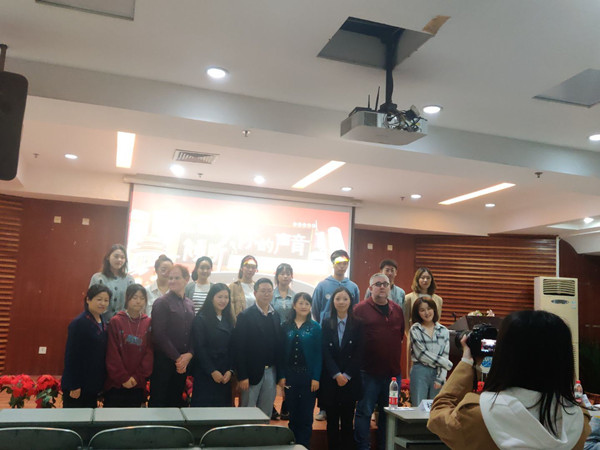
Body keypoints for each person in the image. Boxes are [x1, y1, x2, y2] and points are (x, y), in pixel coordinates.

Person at [428, 310, 591, 449]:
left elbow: (439, 413)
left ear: (504, 355)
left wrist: (467, 362)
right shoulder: (579, 423)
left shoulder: (477, 417)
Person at [353, 273, 405, 450]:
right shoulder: (359, 309)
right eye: (378, 284)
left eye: (385, 284)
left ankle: (385, 446)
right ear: (370, 288)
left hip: (392, 374)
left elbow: (400, 335)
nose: (382, 287)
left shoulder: (397, 309)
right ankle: (363, 447)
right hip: (368, 372)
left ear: (390, 287)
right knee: (364, 412)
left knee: (388, 414)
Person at [232, 278, 285, 417]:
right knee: (247, 413)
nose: (266, 294)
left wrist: (280, 375)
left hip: (271, 372)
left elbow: (279, 348)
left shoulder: (275, 315)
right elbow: (239, 348)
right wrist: (242, 376)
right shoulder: (245, 316)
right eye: (263, 291)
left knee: (266, 413)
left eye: (269, 291)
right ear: (255, 293)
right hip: (250, 373)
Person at [321, 287, 364, 450]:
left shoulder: (358, 323)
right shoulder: (326, 322)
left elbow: (360, 352)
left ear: (351, 301)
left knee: (347, 422)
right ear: (333, 301)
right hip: (331, 380)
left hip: (350, 380)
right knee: (331, 422)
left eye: (345, 299)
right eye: (338, 298)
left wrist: (346, 375)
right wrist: (336, 374)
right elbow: (325, 351)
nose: (341, 302)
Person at [149, 264, 195, 407]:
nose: (172, 281)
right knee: (159, 401)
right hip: (165, 361)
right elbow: (159, 335)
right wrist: (178, 358)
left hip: (183, 363)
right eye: (170, 278)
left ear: (186, 279)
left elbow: (193, 332)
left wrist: (190, 354)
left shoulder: (189, 304)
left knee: (176, 401)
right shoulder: (161, 302)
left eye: (177, 278)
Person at [281, 292, 322, 447]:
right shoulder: (285, 326)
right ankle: (292, 445)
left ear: (310, 306)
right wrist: (281, 376)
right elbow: (280, 353)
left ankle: (304, 446)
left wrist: (316, 377)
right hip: (290, 376)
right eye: (300, 303)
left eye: (307, 303)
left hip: (308, 377)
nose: (304, 306)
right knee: (293, 415)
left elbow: (319, 354)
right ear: (294, 305)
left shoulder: (315, 327)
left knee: (306, 416)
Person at [61, 284, 110, 408]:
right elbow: (71, 356)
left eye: (106, 300)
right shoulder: (79, 323)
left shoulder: (103, 321)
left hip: (93, 383)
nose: (103, 303)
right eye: (99, 299)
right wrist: (74, 385)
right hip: (78, 385)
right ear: (88, 299)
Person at [104, 284, 153, 407]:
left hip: (137, 383)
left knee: (134, 417)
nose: (138, 301)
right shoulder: (116, 321)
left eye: (142, 298)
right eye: (134, 297)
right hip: (116, 383)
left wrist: (137, 377)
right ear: (127, 299)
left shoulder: (148, 322)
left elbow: (149, 352)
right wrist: (123, 378)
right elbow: (112, 352)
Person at [190, 283, 235, 407]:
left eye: (226, 297)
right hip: (206, 372)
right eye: (219, 297)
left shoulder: (229, 319)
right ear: (211, 298)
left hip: (224, 372)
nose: (223, 301)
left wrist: (230, 370)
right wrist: (212, 371)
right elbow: (200, 348)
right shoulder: (201, 319)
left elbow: (233, 347)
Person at [409, 297, 452, 406]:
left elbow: (445, 354)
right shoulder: (415, 329)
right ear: (418, 313)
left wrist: (441, 378)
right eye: (422, 310)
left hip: (438, 372)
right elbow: (421, 354)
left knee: (436, 408)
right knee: (418, 408)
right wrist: (445, 363)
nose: (427, 313)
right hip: (420, 371)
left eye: (429, 308)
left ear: (434, 309)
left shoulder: (444, 330)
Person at [271, 262, 296, 420]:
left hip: (290, 339)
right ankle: (271, 406)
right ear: (277, 276)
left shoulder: (295, 296)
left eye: (288, 273)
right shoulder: (271, 294)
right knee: (273, 371)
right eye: (282, 273)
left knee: (287, 372)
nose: (285, 276)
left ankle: (286, 405)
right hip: (272, 338)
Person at [312, 250, 360, 323]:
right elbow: (315, 310)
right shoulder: (322, 286)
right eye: (339, 263)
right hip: (325, 327)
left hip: (347, 327)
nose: (342, 266)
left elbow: (355, 309)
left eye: (345, 263)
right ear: (333, 264)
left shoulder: (353, 287)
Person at [89, 244, 135, 321]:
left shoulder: (129, 280)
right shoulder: (98, 278)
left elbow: (132, 303)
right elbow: (91, 302)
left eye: (122, 257)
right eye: (116, 256)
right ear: (108, 257)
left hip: (121, 323)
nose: (119, 260)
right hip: (100, 322)